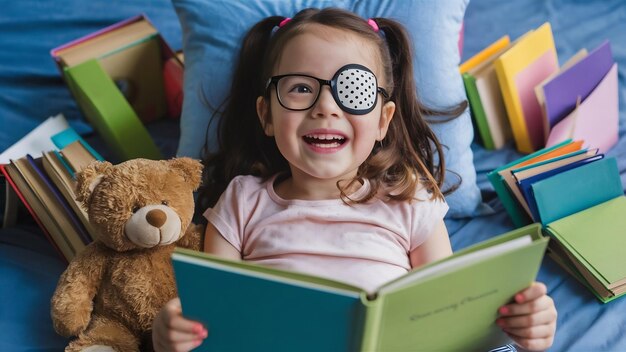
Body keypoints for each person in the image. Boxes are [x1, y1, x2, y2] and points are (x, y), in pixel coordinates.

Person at [152, 8, 557, 352]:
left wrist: (522, 322)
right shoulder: (241, 200)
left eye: (354, 89)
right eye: (299, 88)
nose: (326, 107)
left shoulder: (409, 198)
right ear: (266, 116)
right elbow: (212, 316)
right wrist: (171, 333)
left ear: (383, 120)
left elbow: (450, 311)